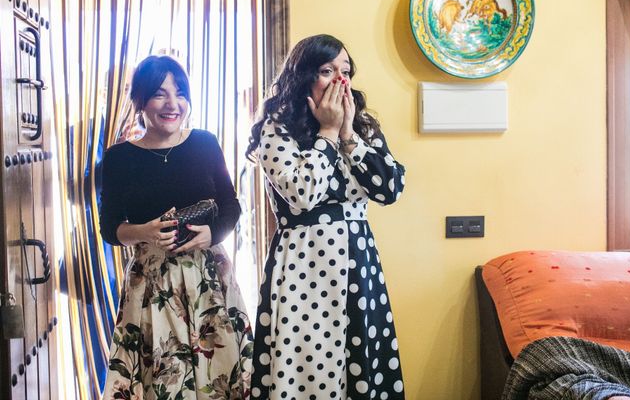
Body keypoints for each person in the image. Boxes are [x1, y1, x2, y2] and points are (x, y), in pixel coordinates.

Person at [246, 34, 406, 399]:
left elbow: (389, 189)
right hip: (304, 267)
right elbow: (303, 195)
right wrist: (328, 133)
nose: (339, 80)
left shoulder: (362, 126)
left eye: (345, 71)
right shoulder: (278, 128)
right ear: (304, 76)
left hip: (357, 262)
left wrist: (348, 133)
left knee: (361, 364)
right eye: (327, 70)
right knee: (304, 368)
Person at [99, 55, 253, 400]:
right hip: (152, 281)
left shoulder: (204, 143)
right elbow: (110, 228)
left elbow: (230, 205)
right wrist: (144, 231)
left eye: (180, 93)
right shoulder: (119, 157)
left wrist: (213, 234)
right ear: (140, 101)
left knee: (221, 377)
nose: (173, 104)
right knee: (161, 382)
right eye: (159, 94)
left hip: (209, 278)